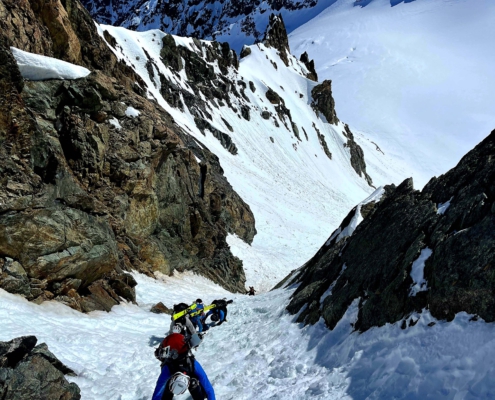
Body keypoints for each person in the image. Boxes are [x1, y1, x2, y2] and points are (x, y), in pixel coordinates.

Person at [152, 333, 215, 400]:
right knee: (193, 383)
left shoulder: (168, 368)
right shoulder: (192, 364)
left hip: (173, 375)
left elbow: (157, 393)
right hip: (191, 375)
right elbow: (208, 388)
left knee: (168, 384)